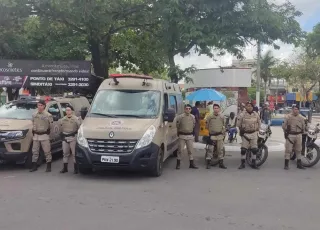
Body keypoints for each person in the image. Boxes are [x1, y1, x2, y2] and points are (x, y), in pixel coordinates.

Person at [30, 99, 53, 172]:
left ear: (44, 106)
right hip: (36, 135)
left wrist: (48, 132)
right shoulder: (34, 114)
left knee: (47, 151)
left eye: (41, 105)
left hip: (44, 135)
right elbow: (33, 123)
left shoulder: (48, 115)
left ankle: (48, 165)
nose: (40, 107)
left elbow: (51, 125)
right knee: (35, 151)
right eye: (38, 105)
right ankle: (34, 165)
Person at [237, 101, 261, 169]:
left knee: (254, 150)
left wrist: (257, 130)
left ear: (252, 107)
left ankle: (254, 163)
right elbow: (238, 124)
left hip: (253, 134)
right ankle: (242, 163)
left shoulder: (256, 114)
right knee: (243, 150)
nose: (249, 107)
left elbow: (259, 123)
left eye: (251, 106)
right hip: (245, 134)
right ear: (246, 107)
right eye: (248, 106)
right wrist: (241, 130)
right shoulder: (242, 114)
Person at [282, 105, 306, 170]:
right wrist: (286, 132)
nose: (296, 110)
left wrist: (303, 133)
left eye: (297, 109)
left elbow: (304, 126)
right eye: (294, 109)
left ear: (299, 110)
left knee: (298, 150)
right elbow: (283, 126)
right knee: (288, 150)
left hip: (298, 135)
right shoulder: (288, 117)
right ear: (292, 110)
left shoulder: (301, 118)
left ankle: (299, 164)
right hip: (290, 135)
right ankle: (286, 165)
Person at [59, 105, 81, 174]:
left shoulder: (75, 119)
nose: (67, 111)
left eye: (69, 110)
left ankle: (75, 168)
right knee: (65, 153)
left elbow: (79, 128)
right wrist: (62, 136)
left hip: (72, 137)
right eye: (66, 110)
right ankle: (65, 168)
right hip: (65, 138)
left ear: (72, 111)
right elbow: (60, 128)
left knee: (74, 154)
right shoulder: (63, 119)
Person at [175, 104, 198, 170]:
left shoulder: (193, 117)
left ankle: (191, 163)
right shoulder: (180, 117)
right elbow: (177, 125)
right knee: (180, 150)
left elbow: (193, 125)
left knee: (190, 150)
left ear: (191, 110)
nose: (188, 110)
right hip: (182, 135)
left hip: (190, 136)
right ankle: (178, 164)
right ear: (184, 109)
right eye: (186, 108)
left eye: (189, 109)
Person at [205, 104, 227, 169]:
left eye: (217, 108)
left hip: (220, 136)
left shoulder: (222, 117)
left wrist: (223, 132)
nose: (216, 109)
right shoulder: (209, 116)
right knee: (210, 149)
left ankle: (221, 163)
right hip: (212, 136)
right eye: (214, 108)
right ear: (213, 109)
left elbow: (224, 125)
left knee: (220, 150)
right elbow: (207, 126)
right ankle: (208, 163)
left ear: (219, 109)